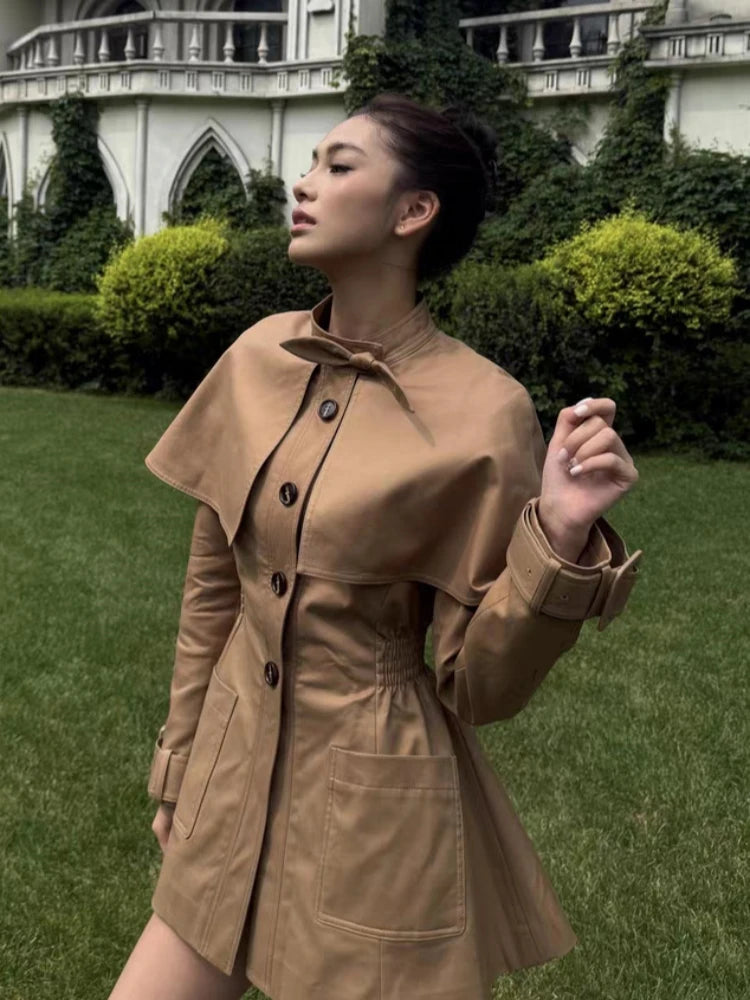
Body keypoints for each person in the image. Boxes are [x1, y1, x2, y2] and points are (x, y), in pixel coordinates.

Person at [108, 92, 642, 1000]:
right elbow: (214, 590)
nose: (304, 183)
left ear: (413, 211)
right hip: (232, 772)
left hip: (374, 814)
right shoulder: (254, 360)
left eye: (338, 165)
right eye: (311, 162)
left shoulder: (485, 411)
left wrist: (556, 535)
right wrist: (183, 754)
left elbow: (478, 684)